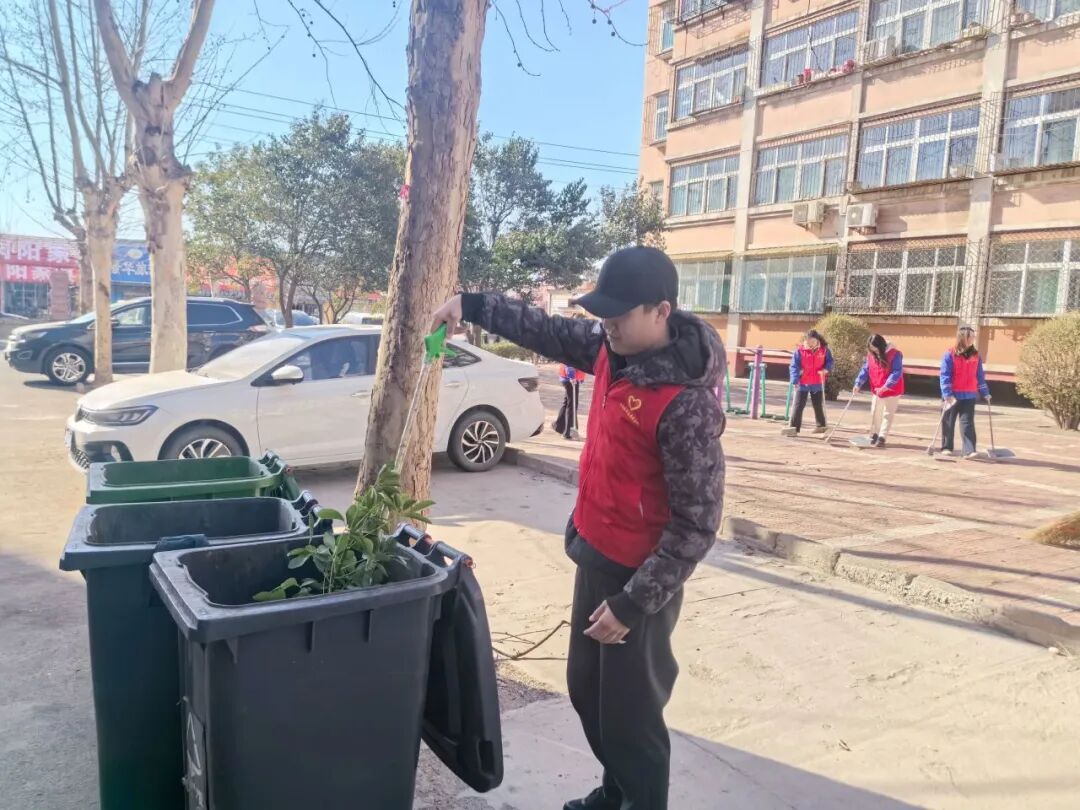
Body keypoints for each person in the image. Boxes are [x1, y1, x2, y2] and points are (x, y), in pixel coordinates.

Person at [430, 246, 726, 810]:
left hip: (640, 580)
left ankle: (638, 801)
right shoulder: (611, 349)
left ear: (661, 311)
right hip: (595, 552)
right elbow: (542, 328)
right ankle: (617, 795)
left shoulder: (685, 403)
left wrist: (633, 604)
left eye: (619, 313)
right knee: (588, 691)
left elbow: (697, 523)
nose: (606, 323)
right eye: (602, 312)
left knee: (632, 716)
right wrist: (470, 305)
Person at [938, 325, 991, 458]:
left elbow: (979, 375)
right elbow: (945, 375)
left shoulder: (976, 355)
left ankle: (969, 450)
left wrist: (985, 392)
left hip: (969, 394)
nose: (973, 338)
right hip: (952, 395)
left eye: (973, 336)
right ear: (963, 337)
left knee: (967, 423)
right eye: (971, 336)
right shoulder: (950, 353)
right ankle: (947, 447)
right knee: (948, 421)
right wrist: (947, 393)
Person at [852, 334, 904, 448]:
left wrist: (886, 386)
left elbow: (897, 372)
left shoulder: (895, 354)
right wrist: (858, 383)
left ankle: (882, 437)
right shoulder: (871, 355)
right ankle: (875, 433)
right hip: (877, 389)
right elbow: (866, 369)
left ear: (881, 346)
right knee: (875, 412)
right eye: (871, 349)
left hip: (892, 389)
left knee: (887, 414)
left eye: (875, 349)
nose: (874, 351)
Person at [782, 329, 834, 437]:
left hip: (818, 382)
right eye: (809, 341)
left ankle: (821, 426)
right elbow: (794, 366)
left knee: (818, 405)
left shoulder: (824, 350)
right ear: (806, 340)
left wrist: (825, 369)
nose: (811, 344)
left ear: (817, 340)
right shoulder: (799, 351)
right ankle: (794, 428)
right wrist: (795, 379)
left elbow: (830, 362)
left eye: (813, 341)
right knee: (798, 406)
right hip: (803, 382)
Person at [554, 362, 587, 440]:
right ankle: (568, 433)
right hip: (570, 379)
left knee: (568, 403)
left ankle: (559, 426)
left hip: (569, 378)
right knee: (572, 405)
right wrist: (571, 376)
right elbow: (569, 362)